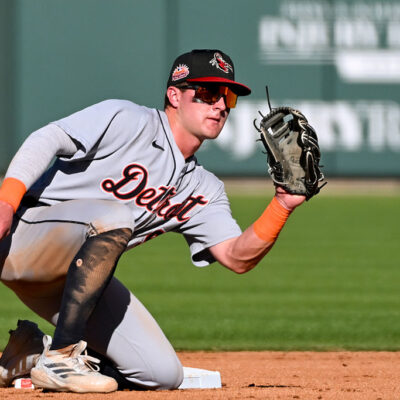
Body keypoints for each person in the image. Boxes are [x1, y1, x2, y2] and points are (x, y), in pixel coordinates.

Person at [0, 49, 305, 393]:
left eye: (227, 96)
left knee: (162, 374)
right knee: (114, 215)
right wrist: (6, 201)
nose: (220, 105)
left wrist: (282, 205)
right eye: (207, 93)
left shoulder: (205, 188)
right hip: (21, 236)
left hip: (73, 281)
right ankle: (62, 357)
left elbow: (237, 257)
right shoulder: (128, 119)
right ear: (174, 95)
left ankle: (32, 351)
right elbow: (48, 138)